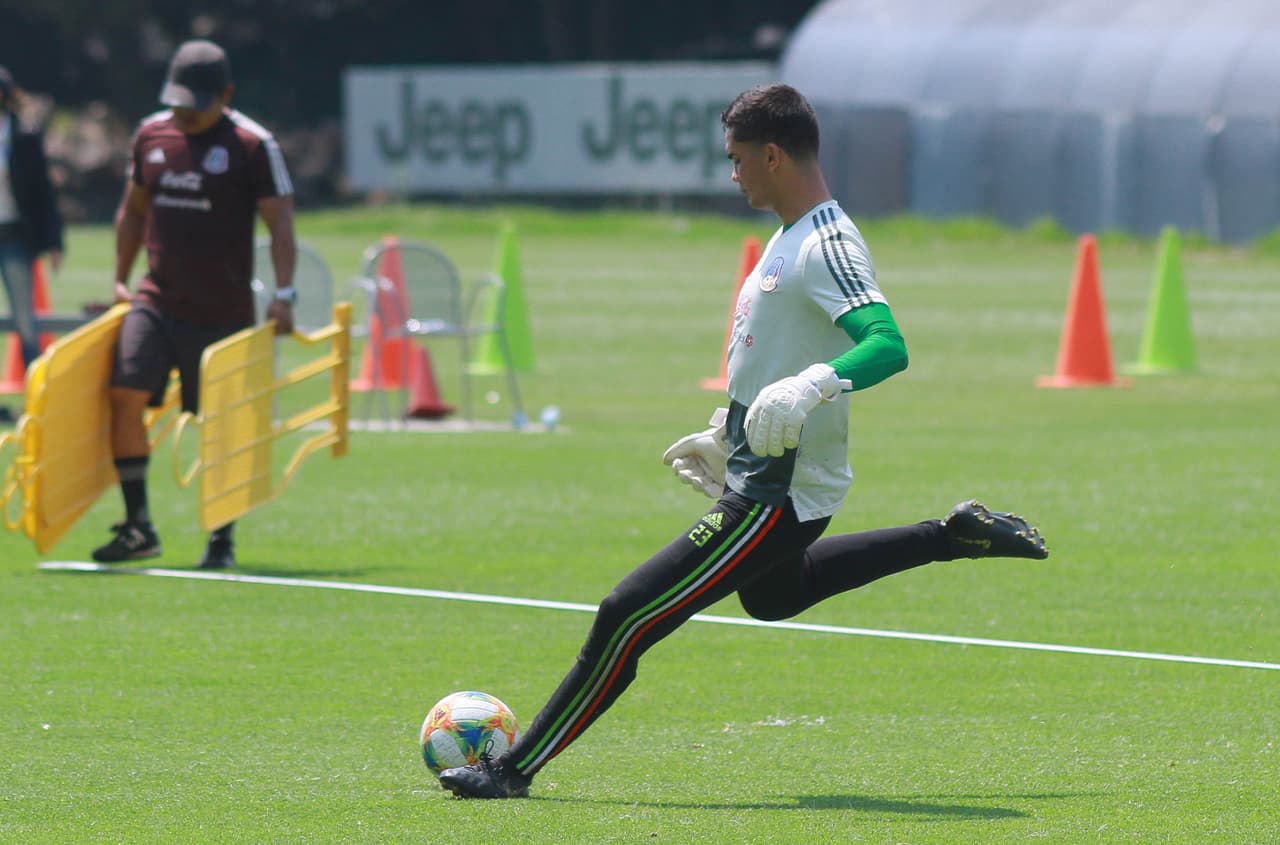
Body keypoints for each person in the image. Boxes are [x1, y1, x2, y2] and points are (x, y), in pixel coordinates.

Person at [438, 83, 1050, 800]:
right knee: (772, 598)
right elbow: (772, 352)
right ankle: (950, 534)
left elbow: (888, 344)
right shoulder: (788, 237)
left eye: (736, 160)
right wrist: (727, 431)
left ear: (771, 154)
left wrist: (814, 384)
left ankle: (511, 769)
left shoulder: (826, 240)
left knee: (625, 613)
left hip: (775, 493)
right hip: (757, 472)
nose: (732, 175)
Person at [90, 39, 297, 569]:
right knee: (123, 393)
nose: (184, 113)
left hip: (222, 311)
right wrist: (119, 277)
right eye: (178, 101)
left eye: (196, 104)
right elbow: (133, 211)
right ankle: (138, 526)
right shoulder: (151, 134)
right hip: (157, 298)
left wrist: (283, 295)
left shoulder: (252, 145)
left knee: (219, 425)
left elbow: (280, 224)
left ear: (225, 95)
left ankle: (221, 539)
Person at [0, 64, 64, 393]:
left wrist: (54, 241)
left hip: (14, 236)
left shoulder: (24, 136)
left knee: (26, 320)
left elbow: (43, 192)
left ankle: (34, 390)